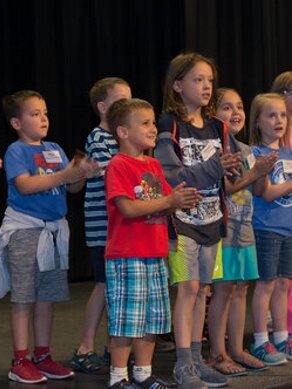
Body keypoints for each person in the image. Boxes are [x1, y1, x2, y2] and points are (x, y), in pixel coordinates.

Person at [0, 90, 99, 384]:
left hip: (53, 232)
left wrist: (82, 174)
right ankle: (20, 360)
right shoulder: (16, 151)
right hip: (26, 230)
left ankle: (42, 355)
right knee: (24, 299)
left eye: (45, 113)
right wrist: (65, 176)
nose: (43, 119)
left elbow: (72, 189)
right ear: (16, 122)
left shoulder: (54, 147)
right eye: (34, 114)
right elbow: (26, 185)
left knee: (46, 298)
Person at [154, 52, 241, 389]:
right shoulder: (168, 126)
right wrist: (215, 168)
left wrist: (233, 167)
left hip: (212, 220)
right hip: (181, 221)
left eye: (209, 80)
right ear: (177, 85)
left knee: (202, 291)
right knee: (188, 288)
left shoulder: (219, 127)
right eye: (197, 80)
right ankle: (183, 366)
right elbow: (172, 176)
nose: (206, 86)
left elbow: (230, 168)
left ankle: (197, 360)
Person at [104, 97, 202, 389]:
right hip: (127, 254)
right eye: (144, 123)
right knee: (127, 319)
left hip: (154, 253)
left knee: (151, 320)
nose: (152, 128)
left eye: (152, 122)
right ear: (122, 132)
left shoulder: (154, 164)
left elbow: (160, 204)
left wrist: (177, 202)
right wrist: (169, 200)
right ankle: (118, 377)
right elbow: (128, 208)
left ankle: (143, 374)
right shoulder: (118, 165)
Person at [207, 88, 277, 376]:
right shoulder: (216, 149)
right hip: (224, 231)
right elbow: (227, 187)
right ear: (213, 114)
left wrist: (262, 171)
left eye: (239, 106)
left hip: (244, 229)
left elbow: (257, 190)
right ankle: (217, 353)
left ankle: (237, 349)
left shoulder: (246, 149)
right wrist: (253, 173)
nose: (235, 112)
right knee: (222, 290)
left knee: (240, 288)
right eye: (226, 107)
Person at [72, 77, 132, 374]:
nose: (127, 106)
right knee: (104, 285)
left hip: (121, 226)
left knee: (116, 287)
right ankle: (85, 347)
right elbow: (115, 173)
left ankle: (113, 346)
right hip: (103, 227)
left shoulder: (123, 140)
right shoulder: (98, 137)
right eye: (121, 101)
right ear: (102, 106)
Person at [249, 92, 292, 366]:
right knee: (265, 284)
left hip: (288, 230)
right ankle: (260, 340)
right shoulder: (257, 154)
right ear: (258, 122)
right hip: (266, 229)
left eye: (283, 115)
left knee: (284, 284)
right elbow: (265, 193)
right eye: (271, 115)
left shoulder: (288, 152)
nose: (279, 120)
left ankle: (282, 336)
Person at [271, 72, 292, 337]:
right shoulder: (274, 134)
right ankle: (282, 328)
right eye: (288, 91)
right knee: (279, 279)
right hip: (278, 214)